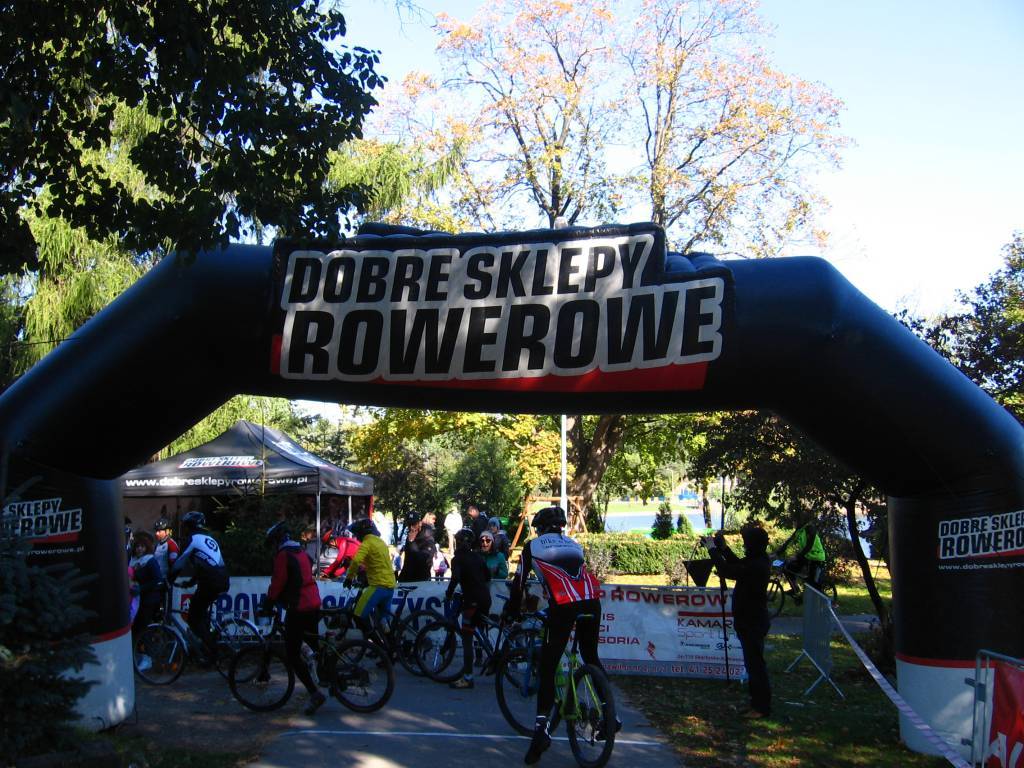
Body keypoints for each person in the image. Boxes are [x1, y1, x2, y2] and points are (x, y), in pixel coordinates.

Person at [505, 506, 614, 764]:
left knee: (548, 666)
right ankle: (611, 715)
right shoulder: (574, 544)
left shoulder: (532, 547)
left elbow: (519, 584)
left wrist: (513, 611)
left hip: (564, 605)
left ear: (540, 528)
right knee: (591, 656)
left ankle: (541, 731)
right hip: (591, 602)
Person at [705, 522, 772, 719]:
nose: (744, 545)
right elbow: (737, 564)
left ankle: (761, 707)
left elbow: (727, 570)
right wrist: (724, 549)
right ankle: (756, 704)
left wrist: (712, 549)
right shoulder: (758, 560)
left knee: (755, 665)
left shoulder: (757, 565)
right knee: (753, 664)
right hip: (749, 619)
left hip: (752, 621)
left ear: (753, 544)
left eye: (746, 542)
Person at [265, 522, 326, 715]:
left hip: (299, 606)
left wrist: (268, 604)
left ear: (277, 541)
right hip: (313, 601)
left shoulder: (283, 555)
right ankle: (327, 677)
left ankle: (315, 694)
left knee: (292, 654)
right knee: (313, 645)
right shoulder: (301, 551)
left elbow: (278, 583)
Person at [168, 511, 230, 662]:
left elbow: (180, 562)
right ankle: (207, 648)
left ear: (190, 526)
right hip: (221, 579)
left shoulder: (193, 538)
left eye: (185, 526)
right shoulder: (209, 538)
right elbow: (207, 564)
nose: (184, 529)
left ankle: (214, 652)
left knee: (193, 619)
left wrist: (169, 579)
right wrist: (191, 582)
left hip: (210, 582)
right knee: (201, 615)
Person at [445, 527, 491, 690]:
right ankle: (493, 657)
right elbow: (488, 576)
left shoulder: (457, 559)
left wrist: (448, 593)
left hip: (471, 600)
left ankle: (468, 677)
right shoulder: (478, 556)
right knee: (481, 631)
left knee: (467, 638)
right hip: (485, 598)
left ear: (457, 542)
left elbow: (455, 578)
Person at [343, 517, 397, 636]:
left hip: (378, 586)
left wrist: (349, 578)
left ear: (361, 533)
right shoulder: (381, 542)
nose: (356, 537)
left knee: (358, 615)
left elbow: (356, 561)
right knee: (383, 621)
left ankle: (373, 643)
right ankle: (390, 644)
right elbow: (377, 562)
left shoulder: (367, 543)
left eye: (357, 535)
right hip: (390, 586)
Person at [129, 531, 166, 635]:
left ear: (146, 548)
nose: (139, 549)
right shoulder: (133, 560)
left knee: (140, 628)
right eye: (137, 546)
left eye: (142, 546)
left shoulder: (150, 561)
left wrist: (141, 588)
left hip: (148, 599)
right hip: (136, 599)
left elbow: (157, 579)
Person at [779, 521, 826, 593]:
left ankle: (813, 594)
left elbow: (808, 547)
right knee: (789, 568)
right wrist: (778, 552)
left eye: (795, 521)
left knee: (812, 582)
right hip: (806, 556)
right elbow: (789, 542)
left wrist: (797, 556)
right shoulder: (798, 532)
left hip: (816, 557)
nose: (794, 523)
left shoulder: (809, 528)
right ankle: (795, 588)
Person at [397, 513, 432, 582]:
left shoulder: (426, 536)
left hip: (420, 578)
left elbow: (424, 560)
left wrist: (412, 542)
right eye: (409, 524)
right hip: (406, 577)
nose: (411, 527)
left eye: (413, 524)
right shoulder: (410, 534)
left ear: (419, 523)